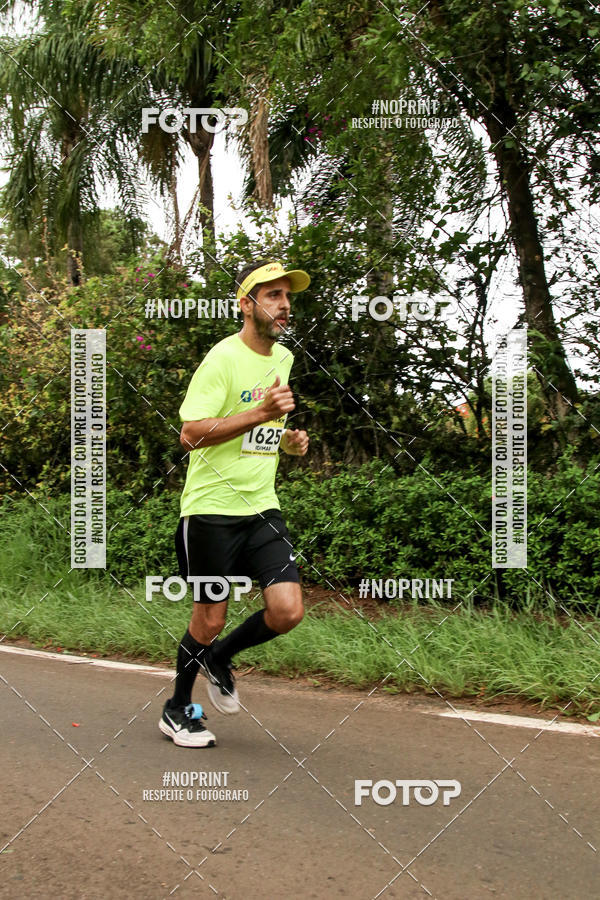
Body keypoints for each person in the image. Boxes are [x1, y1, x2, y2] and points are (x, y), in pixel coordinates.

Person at [159, 260, 311, 747]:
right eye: (272, 296)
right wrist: (260, 412)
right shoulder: (221, 359)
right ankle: (177, 709)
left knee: (287, 610)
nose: (284, 304)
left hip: (261, 507)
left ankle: (219, 658)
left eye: (288, 296)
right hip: (210, 511)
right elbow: (190, 435)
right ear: (246, 305)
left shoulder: (282, 357)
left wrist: (284, 440)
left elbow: (262, 429)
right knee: (209, 618)